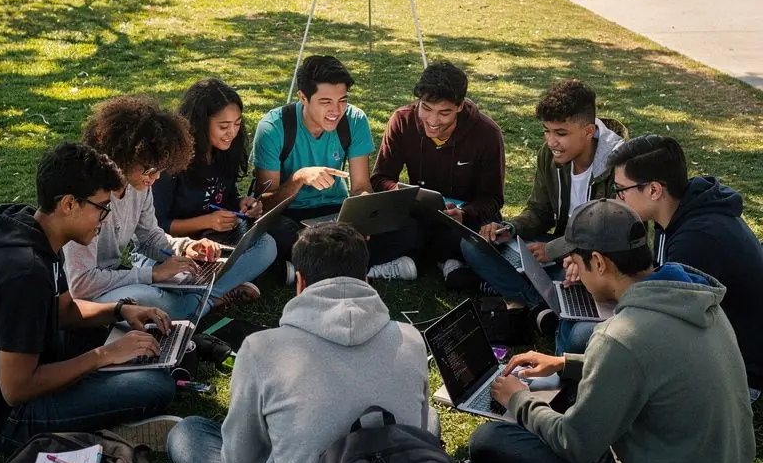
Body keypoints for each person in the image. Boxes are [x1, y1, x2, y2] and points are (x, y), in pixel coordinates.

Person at [466, 201, 755, 463]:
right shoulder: (693, 297)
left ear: (600, 263)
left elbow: (575, 444)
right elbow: (656, 365)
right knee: (564, 401)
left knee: (488, 443)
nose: (573, 273)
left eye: (576, 263)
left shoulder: (621, 336)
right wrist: (565, 363)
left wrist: (518, 400)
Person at [167, 222, 432, 463]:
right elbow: (424, 433)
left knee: (189, 433)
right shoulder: (411, 340)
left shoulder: (261, 350)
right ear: (366, 280)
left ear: (300, 283)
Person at [0, 142, 180, 455]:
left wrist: (120, 310)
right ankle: (107, 427)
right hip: (3, 419)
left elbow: (65, 310)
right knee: (157, 387)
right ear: (69, 204)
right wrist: (104, 355)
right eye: (101, 208)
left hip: (33, 361)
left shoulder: (34, 232)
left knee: (132, 346)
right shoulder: (23, 272)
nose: (104, 219)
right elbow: (17, 389)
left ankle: (100, 411)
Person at [461, 80, 624, 342]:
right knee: (474, 245)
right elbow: (540, 210)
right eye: (546, 131)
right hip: (557, 251)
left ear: (588, 131)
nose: (551, 142)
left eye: (560, 133)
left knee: (578, 280)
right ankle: (542, 306)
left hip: (596, 258)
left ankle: (533, 301)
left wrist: (555, 250)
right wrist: (511, 228)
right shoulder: (549, 155)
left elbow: (613, 235)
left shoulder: (619, 164)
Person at [608, 134, 763, 395]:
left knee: (594, 338)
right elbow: (661, 282)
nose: (617, 199)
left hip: (740, 372)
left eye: (620, 190)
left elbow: (670, 330)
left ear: (654, 190)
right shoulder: (676, 212)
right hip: (710, 341)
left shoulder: (697, 240)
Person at [64, 96, 232, 321]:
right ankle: (202, 301)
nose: (155, 178)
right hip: (84, 299)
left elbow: (150, 237)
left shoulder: (139, 186)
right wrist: (152, 274)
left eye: (160, 170)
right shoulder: (88, 198)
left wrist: (185, 247)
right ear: (120, 157)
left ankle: (199, 300)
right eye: (149, 170)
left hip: (116, 279)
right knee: (156, 299)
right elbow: (80, 284)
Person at [252, 53, 415, 281]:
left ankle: (300, 271)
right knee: (272, 234)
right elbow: (265, 205)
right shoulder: (273, 127)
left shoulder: (355, 120)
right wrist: (299, 178)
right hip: (291, 215)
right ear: (303, 98)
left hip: (338, 213)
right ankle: (364, 268)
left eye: (342, 100)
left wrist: (363, 220)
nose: (336, 111)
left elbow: (360, 187)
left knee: (407, 229)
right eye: (326, 102)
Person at [371, 61, 505, 281]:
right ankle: (448, 260)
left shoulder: (487, 134)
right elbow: (380, 179)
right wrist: (402, 192)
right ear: (418, 101)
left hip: (464, 219)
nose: (433, 121)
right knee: (400, 230)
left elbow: (492, 198)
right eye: (426, 108)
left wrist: (464, 213)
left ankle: (430, 259)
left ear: (460, 106)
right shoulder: (402, 121)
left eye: (444, 113)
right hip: (416, 213)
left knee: (482, 234)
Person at [153, 78, 277, 284]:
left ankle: (210, 289)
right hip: (176, 247)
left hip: (215, 240)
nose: (232, 133)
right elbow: (157, 227)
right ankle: (214, 292)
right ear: (200, 125)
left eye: (237, 124)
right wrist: (207, 221)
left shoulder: (224, 151)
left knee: (266, 244)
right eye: (224, 126)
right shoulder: (172, 161)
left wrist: (240, 204)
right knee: (181, 276)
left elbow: (222, 197)